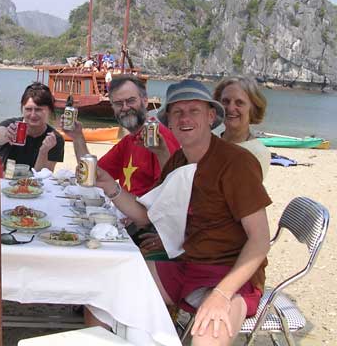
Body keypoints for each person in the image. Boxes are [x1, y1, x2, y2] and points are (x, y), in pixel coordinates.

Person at [90, 79, 271, 345]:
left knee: (206, 336)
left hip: (228, 275)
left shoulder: (237, 163)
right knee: (100, 298)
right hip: (185, 264)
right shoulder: (178, 160)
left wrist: (221, 295)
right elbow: (150, 216)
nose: (185, 118)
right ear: (169, 123)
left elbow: (260, 241)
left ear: (211, 116)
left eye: (194, 110)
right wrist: (110, 187)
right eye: (177, 112)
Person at [65, 74, 180, 198]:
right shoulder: (128, 141)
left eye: (131, 101)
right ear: (112, 107)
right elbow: (93, 175)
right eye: (118, 103)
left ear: (145, 101)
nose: (125, 108)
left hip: (144, 215)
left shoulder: (160, 138)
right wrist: (77, 137)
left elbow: (170, 193)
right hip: (125, 213)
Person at [0, 82, 64, 171]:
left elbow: (43, 177)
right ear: (22, 109)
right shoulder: (10, 126)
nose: (33, 115)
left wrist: (43, 152)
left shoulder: (55, 139)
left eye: (38, 110)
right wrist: (7, 135)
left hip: (35, 183)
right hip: (7, 181)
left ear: (50, 111)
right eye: (28, 109)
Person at [213, 77, 270, 177]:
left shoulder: (258, 153)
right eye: (225, 101)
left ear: (253, 108)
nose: (230, 108)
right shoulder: (209, 141)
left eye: (239, 103)